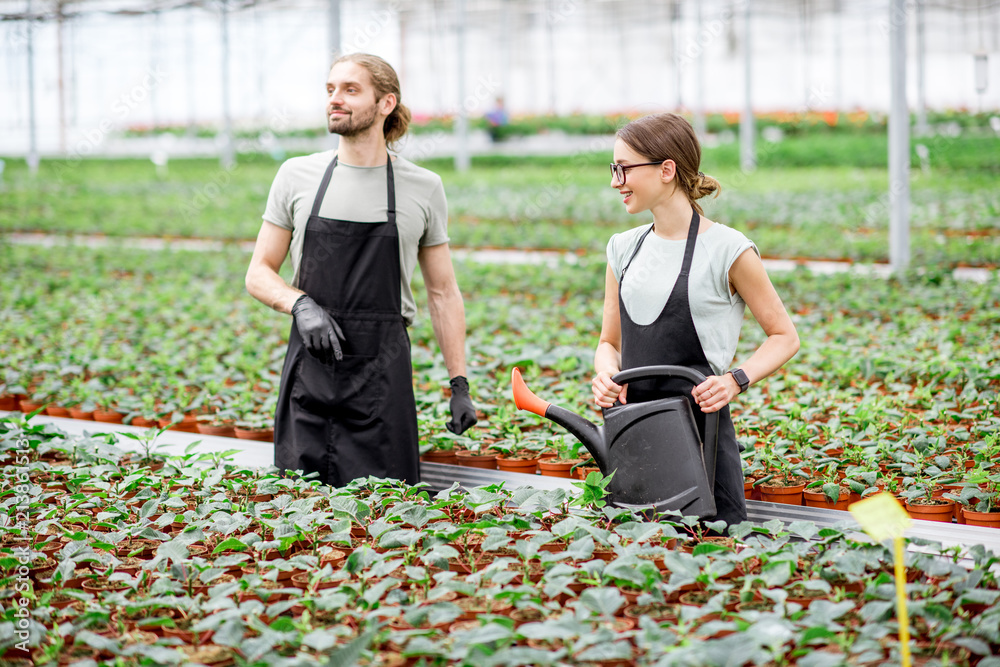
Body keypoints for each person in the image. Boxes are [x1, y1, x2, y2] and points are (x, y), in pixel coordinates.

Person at [246, 53, 477, 488]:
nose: (335, 99)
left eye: (350, 90)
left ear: (386, 103)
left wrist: (458, 383)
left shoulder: (423, 186)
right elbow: (258, 272)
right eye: (331, 89)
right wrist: (300, 304)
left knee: (386, 517)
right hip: (309, 375)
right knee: (300, 518)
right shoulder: (297, 176)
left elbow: (443, 292)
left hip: (381, 380)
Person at [591, 113, 799, 526]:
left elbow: (784, 336)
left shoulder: (728, 249)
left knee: (710, 557)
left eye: (624, 168)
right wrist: (605, 375)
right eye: (614, 169)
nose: (616, 181)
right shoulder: (623, 249)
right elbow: (608, 343)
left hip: (701, 440)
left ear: (666, 169)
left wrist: (734, 380)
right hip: (633, 434)